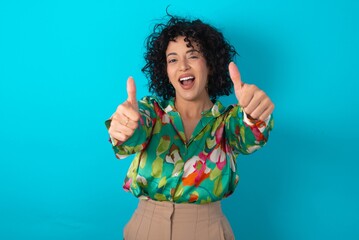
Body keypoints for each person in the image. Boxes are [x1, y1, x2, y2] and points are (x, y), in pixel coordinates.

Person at [105, 14, 274, 240]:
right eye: (173, 59)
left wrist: (254, 115)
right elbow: (133, 132)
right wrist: (123, 128)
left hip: (207, 230)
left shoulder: (228, 120)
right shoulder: (150, 112)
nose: (182, 66)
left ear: (210, 64)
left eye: (192, 56)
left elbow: (250, 136)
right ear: (165, 70)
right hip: (146, 228)